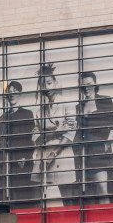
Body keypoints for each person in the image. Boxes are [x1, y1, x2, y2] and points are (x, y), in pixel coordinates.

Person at [32, 62, 80, 205]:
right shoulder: (39, 111)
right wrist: (55, 131)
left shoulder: (67, 103)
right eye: (43, 84)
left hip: (61, 155)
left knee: (68, 199)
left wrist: (53, 153)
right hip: (43, 156)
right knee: (38, 198)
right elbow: (35, 136)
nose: (46, 87)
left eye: (49, 82)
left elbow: (70, 131)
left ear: (56, 83)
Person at [76, 71, 113, 203]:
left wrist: (107, 142)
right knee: (92, 191)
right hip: (87, 151)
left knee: (102, 188)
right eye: (83, 85)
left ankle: (107, 218)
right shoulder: (79, 106)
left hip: (101, 149)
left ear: (95, 85)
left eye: (89, 84)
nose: (87, 88)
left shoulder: (105, 100)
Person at [0, 80, 37, 203]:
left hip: (21, 161)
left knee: (22, 196)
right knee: (2, 197)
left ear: (20, 94)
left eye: (15, 92)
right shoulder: (3, 118)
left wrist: (25, 157)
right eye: (9, 92)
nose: (12, 94)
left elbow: (30, 139)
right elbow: (0, 142)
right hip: (5, 162)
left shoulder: (27, 114)